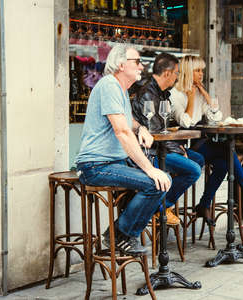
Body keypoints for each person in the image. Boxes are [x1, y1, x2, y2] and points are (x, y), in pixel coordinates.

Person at [76, 45, 171, 255]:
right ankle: (120, 234)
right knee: (155, 182)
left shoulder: (119, 88)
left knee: (165, 178)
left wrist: (142, 128)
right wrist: (149, 169)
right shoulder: (109, 86)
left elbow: (128, 123)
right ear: (121, 64)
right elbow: (122, 131)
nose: (142, 65)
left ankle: (126, 232)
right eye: (136, 61)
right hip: (96, 165)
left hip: (113, 162)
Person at [170, 55, 243, 224]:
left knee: (224, 162)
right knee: (227, 150)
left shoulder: (198, 93)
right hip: (182, 148)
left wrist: (204, 93)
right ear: (187, 72)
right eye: (197, 70)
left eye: (202, 70)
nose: (201, 74)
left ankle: (205, 204)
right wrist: (190, 98)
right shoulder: (174, 95)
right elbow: (186, 121)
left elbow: (215, 117)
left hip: (198, 144)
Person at [132, 53, 204, 225]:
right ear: (167, 74)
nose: (178, 77)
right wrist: (178, 149)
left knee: (197, 158)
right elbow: (155, 132)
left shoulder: (160, 92)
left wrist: (178, 149)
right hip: (148, 153)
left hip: (159, 149)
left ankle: (162, 202)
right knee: (193, 170)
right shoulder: (148, 94)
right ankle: (161, 207)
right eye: (177, 73)